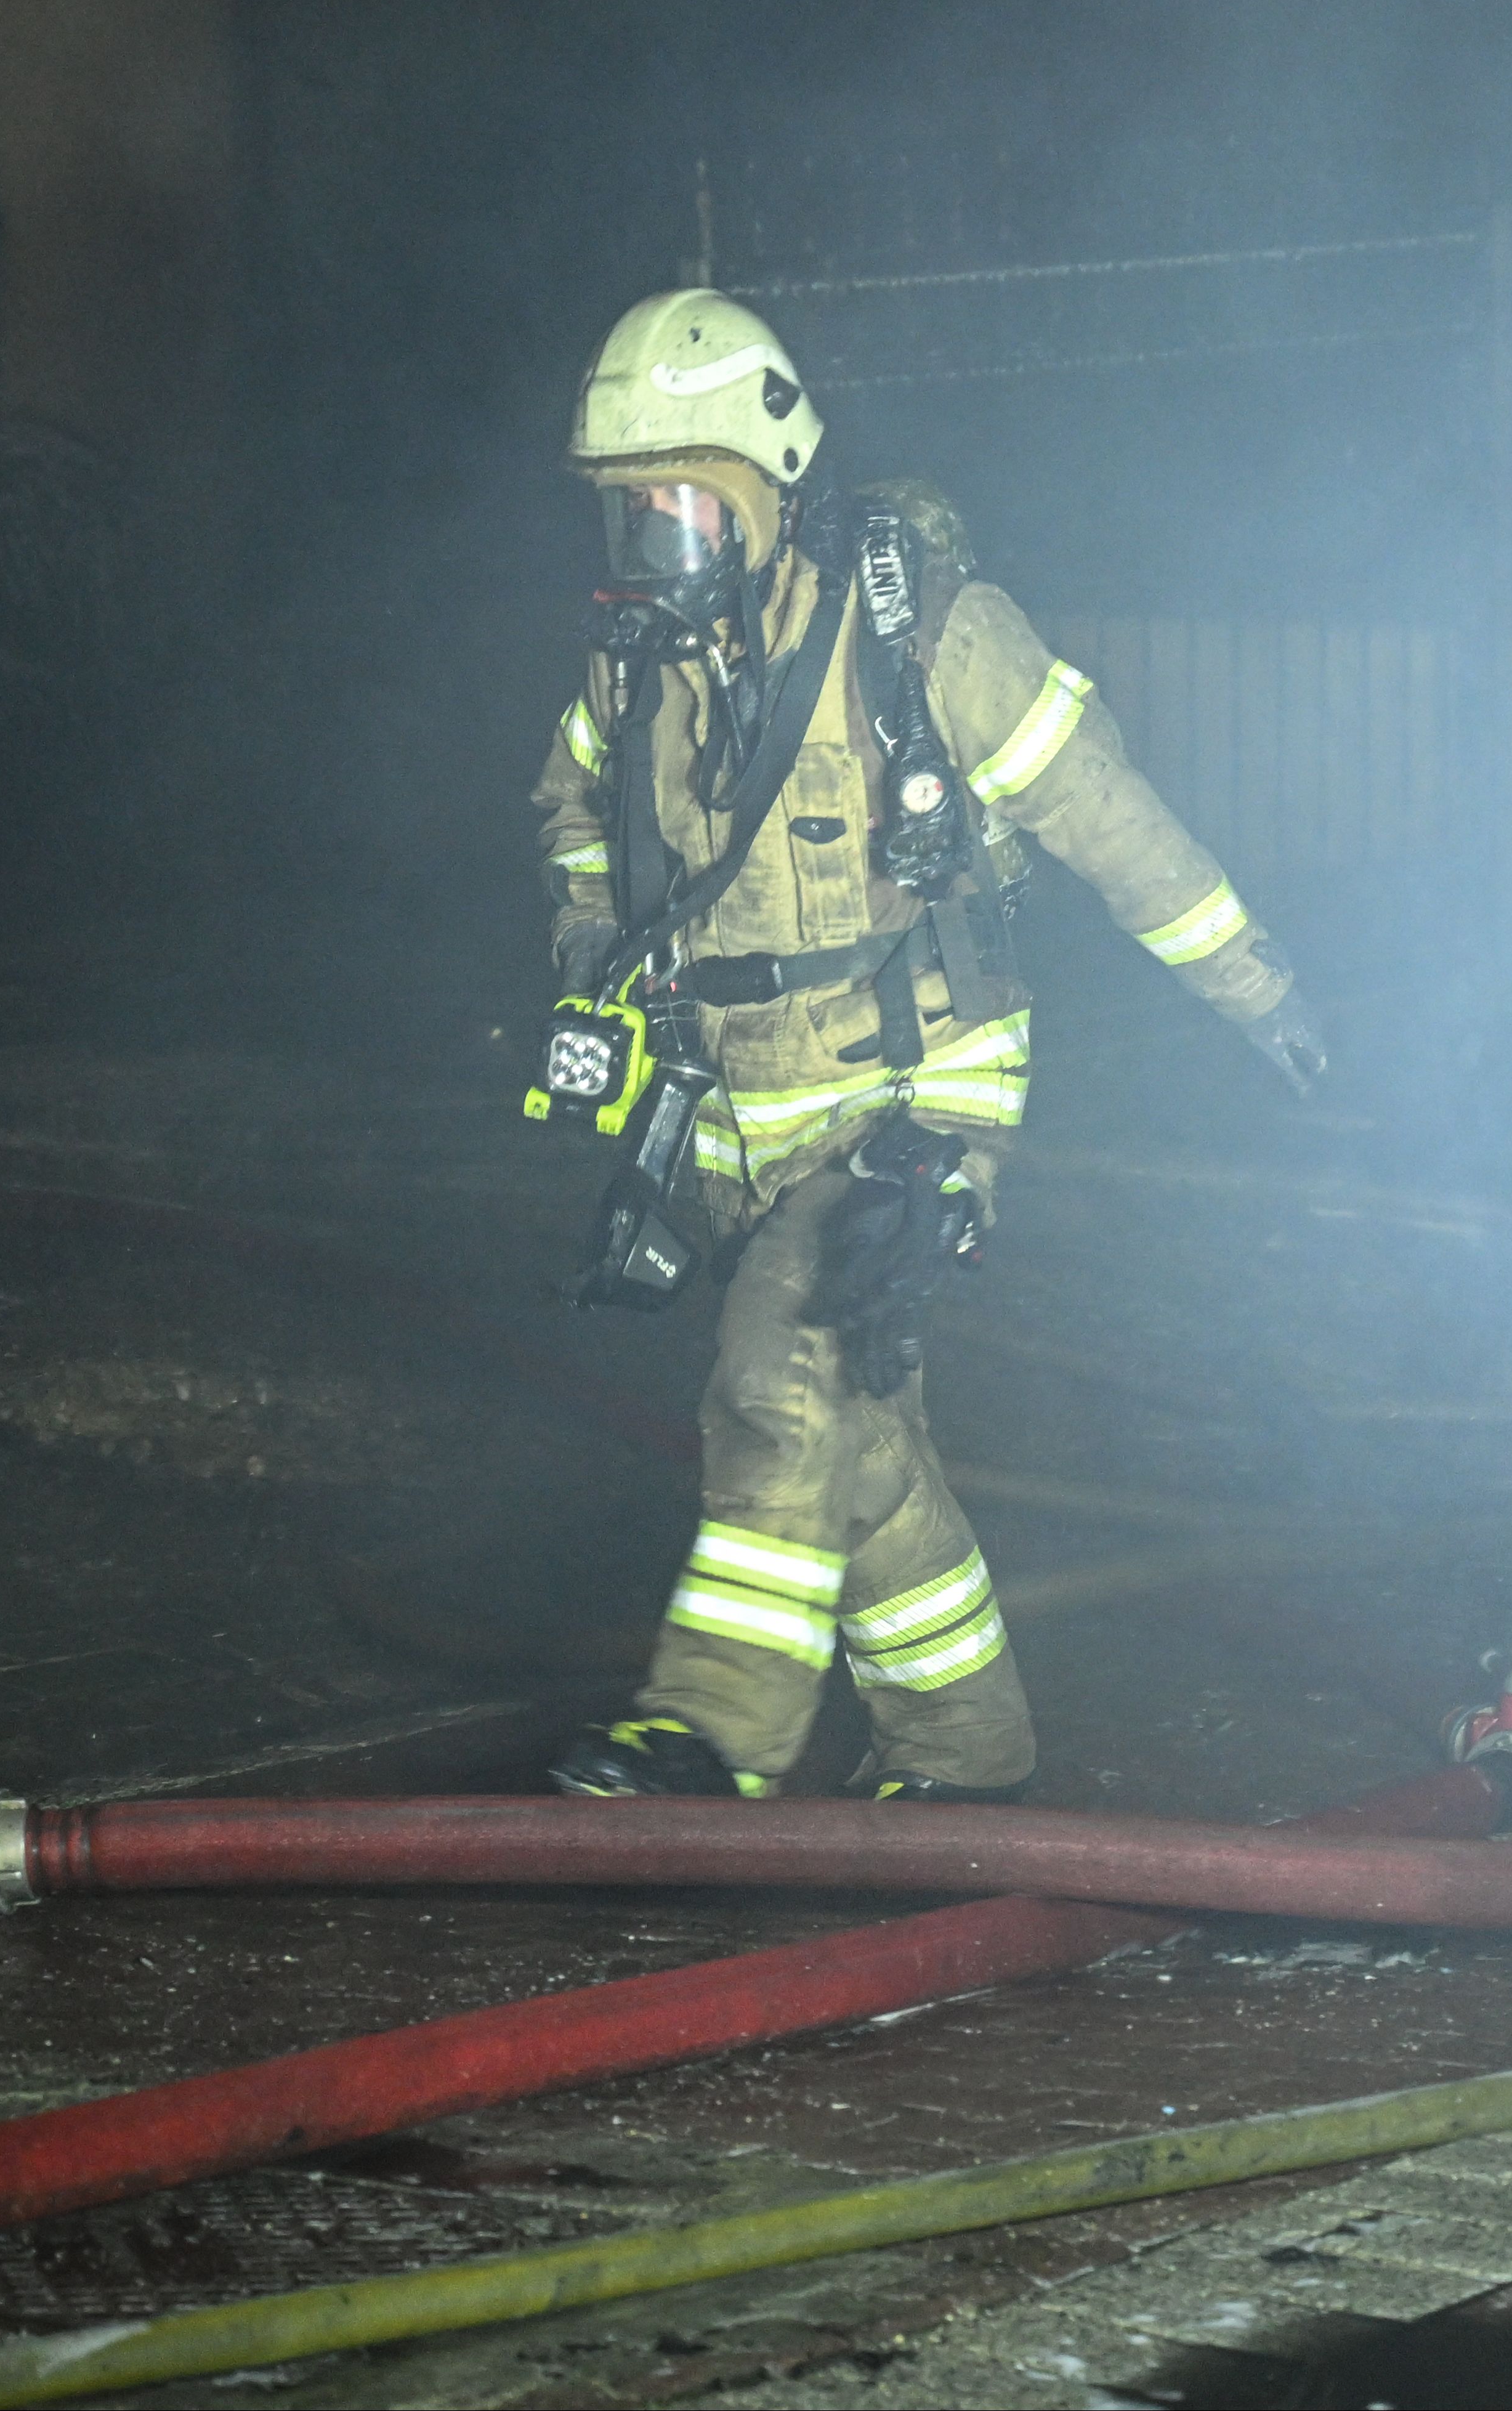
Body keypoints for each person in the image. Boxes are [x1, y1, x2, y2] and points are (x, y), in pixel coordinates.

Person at [532, 287, 1324, 1801]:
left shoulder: (928, 639)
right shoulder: (634, 666)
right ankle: (965, 1754)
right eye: (631, 515)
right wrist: (587, 949)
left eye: (690, 507)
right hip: (723, 1109)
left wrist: (1258, 990)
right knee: (864, 1442)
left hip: (904, 1098)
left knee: (778, 1380)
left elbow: (1114, 825)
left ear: (771, 489)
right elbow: (573, 816)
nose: (658, 547)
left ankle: (708, 1735)